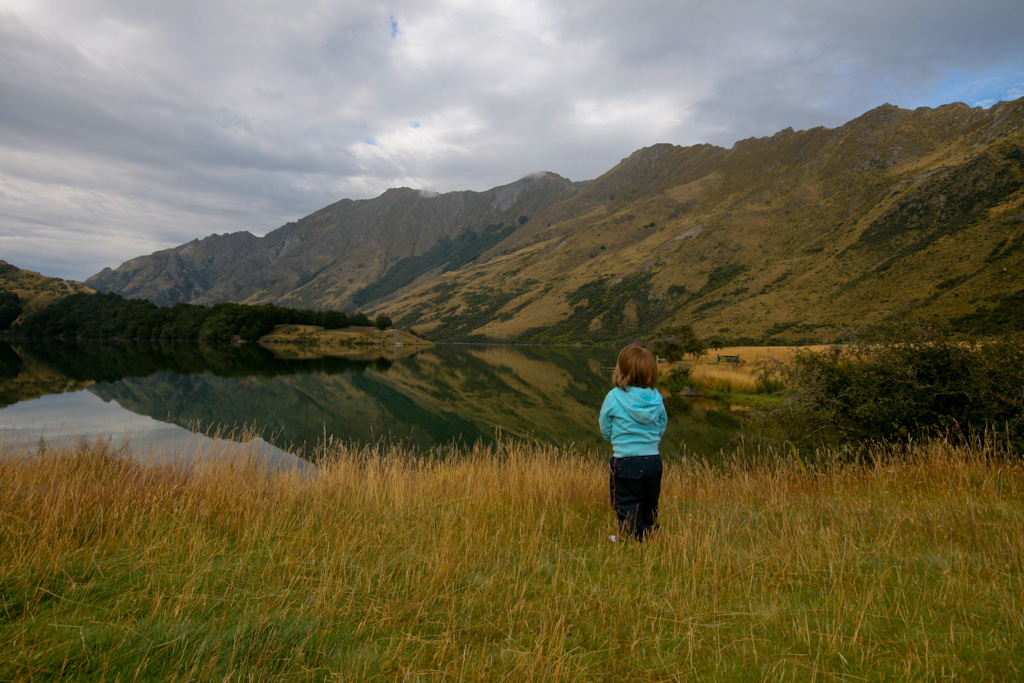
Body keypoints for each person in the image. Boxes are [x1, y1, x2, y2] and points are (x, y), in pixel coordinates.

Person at [599, 343, 667, 542]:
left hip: (625, 460)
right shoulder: (656, 398)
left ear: (621, 370)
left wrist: (614, 439)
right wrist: (651, 442)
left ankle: (628, 536)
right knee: (649, 500)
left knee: (626, 500)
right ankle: (647, 532)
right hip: (653, 460)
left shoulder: (614, 397)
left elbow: (605, 425)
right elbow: (662, 423)